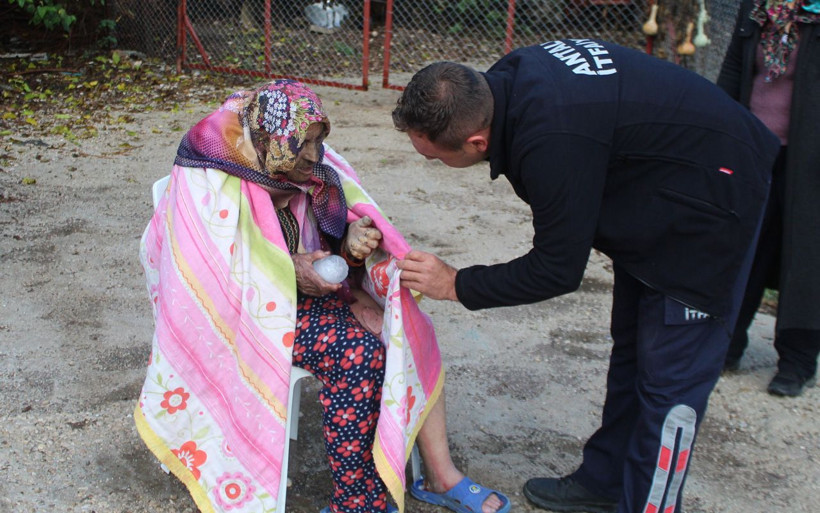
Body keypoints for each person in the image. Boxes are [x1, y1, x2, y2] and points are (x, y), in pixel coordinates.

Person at [391, 40, 779, 513]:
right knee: (634, 354)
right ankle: (605, 482)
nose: (432, 164)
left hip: (713, 201)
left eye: (434, 157)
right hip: (662, 191)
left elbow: (557, 268)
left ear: (476, 141)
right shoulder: (505, 83)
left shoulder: (551, 138)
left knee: (669, 387)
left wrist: (457, 283)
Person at [135, 79, 510, 513]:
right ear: (271, 140)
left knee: (402, 322)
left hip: (305, 297)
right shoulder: (209, 173)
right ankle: (355, 501)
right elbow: (208, 276)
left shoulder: (303, 160)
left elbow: (333, 234)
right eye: (305, 144)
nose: (316, 156)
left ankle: (439, 476)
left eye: (319, 141)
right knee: (357, 353)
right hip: (245, 312)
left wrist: (351, 243)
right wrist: (289, 270)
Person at [717, 0, 820, 397]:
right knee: (743, 248)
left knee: (804, 259)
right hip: (755, 152)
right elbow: (732, 69)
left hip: (808, 159)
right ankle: (726, 345)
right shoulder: (757, 9)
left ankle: (797, 361)